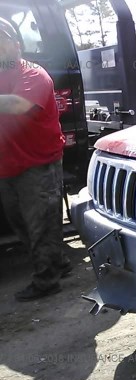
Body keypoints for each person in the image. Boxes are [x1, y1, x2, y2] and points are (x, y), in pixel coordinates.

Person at [0, 18, 71, 301]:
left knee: (41, 222)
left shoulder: (34, 74)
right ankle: (58, 262)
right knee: (21, 224)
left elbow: (17, 105)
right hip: (8, 165)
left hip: (38, 165)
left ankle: (47, 280)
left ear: (16, 46)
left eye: (2, 42)